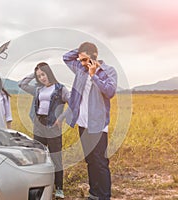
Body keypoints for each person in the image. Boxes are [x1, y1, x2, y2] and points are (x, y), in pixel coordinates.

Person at [63, 42, 117, 200]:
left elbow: (110, 92)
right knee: (90, 160)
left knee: (100, 161)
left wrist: (94, 75)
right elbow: (66, 57)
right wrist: (81, 53)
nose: (82, 63)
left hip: (98, 125)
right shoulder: (80, 69)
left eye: (85, 60)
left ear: (94, 57)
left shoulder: (108, 71)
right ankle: (94, 193)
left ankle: (104, 196)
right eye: (80, 60)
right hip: (83, 123)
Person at [18, 62, 70, 199]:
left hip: (53, 126)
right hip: (39, 125)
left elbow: (73, 103)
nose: (42, 78)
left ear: (49, 73)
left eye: (43, 74)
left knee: (56, 158)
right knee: (38, 156)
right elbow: (22, 84)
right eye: (39, 76)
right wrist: (34, 73)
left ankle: (59, 188)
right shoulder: (38, 89)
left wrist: (62, 118)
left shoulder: (60, 89)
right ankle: (40, 186)